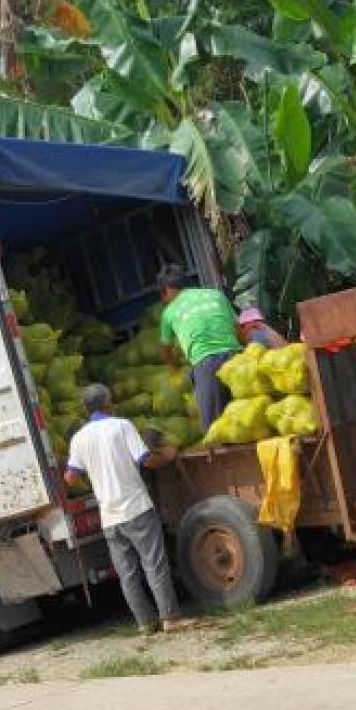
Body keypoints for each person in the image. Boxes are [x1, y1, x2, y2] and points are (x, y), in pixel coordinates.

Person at [64, 384, 187, 635]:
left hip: (109, 517)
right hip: (136, 508)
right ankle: (170, 618)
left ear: (85, 409)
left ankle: (145, 623)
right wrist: (170, 455)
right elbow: (147, 461)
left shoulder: (79, 439)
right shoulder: (122, 426)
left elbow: (70, 479)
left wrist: (95, 471)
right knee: (154, 564)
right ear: (109, 402)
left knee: (127, 574)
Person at [157, 264, 240, 431]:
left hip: (207, 364)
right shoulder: (216, 295)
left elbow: (165, 350)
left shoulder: (169, 312)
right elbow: (237, 328)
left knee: (214, 428)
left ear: (165, 290)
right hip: (238, 357)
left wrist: (174, 370)